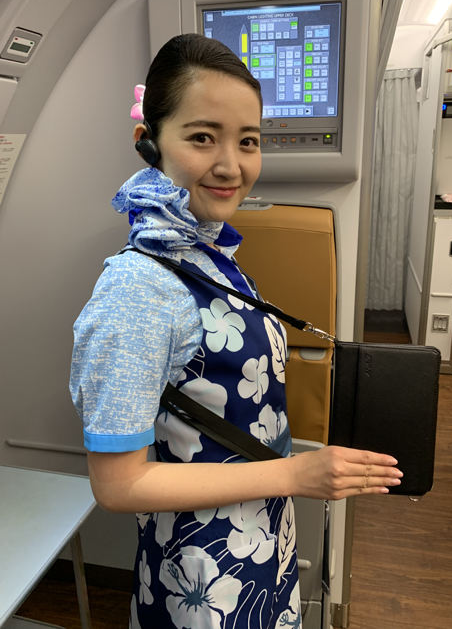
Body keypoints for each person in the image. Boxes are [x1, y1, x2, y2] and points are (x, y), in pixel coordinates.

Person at [70, 33, 402, 629]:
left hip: (259, 544)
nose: (232, 165)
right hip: (201, 579)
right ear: (148, 142)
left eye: (248, 141)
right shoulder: (136, 290)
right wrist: (297, 473)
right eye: (202, 137)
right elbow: (117, 487)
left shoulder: (206, 253)